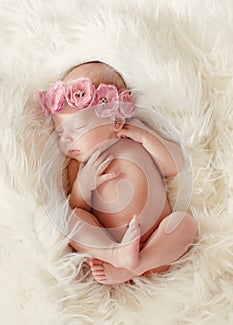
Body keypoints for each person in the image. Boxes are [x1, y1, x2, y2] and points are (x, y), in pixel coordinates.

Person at [38, 61, 197, 284]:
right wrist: (83, 186)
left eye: (78, 129)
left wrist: (146, 138)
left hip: (158, 242)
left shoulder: (136, 136)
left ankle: (137, 265)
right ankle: (118, 255)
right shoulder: (79, 165)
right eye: (60, 132)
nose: (66, 139)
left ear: (116, 120)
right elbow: (79, 208)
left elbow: (175, 165)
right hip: (110, 243)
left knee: (184, 223)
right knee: (70, 219)